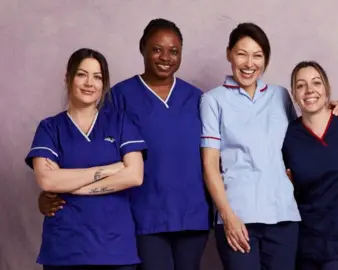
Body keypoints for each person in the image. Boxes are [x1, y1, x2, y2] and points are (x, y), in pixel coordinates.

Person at [36, 18, 211, 270]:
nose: (165, 57)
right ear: (142, 48)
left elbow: (214, 155)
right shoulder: (119, 96)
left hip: (192, 212)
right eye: (156, 49)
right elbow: (91, 148)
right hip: (142, 214)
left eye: (174, 51)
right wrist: (51, 192)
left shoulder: (197, 98)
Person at [200, 23, 338, 270]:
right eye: (241, 54)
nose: (249, 63)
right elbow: (209, 165)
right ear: (229, 54)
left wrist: (332, 108)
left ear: (266, 60)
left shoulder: (280, 96)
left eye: (257, 56)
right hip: (239, 217)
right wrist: (227, 216)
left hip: (284, 217)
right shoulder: (212, 100)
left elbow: (304, 136)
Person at [25, 48, 147, 270]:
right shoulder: (50, 128)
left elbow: (135, 175)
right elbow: (48, 181)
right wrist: (111, 169)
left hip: (114, 249)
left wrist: (70, 184)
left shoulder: (120, 123)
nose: (90, 83)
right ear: (68, 78)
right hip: (65, 249)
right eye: (82, 74)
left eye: (97, 77)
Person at [282, 61, 338, 270]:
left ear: (327, 89)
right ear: (294, 94)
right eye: (301, 85)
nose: (309, 90)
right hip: (305, 246)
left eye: (316, 83)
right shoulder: (288, 136)